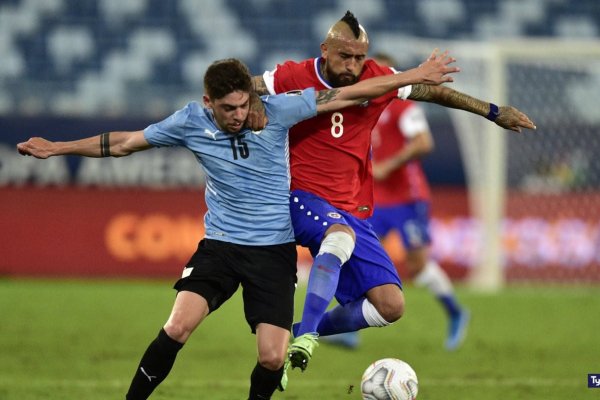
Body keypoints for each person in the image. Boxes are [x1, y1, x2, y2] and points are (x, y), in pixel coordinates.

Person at [17, 55, 459, 399]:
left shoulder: (278, 111)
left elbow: (348, 95)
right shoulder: (189, 122)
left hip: (272, 251)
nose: (239, 115)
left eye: (245, 104)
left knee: (271, 357)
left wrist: (411, 75)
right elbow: (124, 143)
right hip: (220, 246)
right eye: (228, 108)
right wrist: (57, 148)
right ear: (208, 102)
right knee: (177, 327)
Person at [250, 10, 535, 379]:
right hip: (302, 198)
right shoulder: (292, 75)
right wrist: (239, 100)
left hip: (352, 208)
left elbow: (433, 91)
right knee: (338, 238)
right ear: (325, 50)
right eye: (344, 56)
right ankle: (305, 336)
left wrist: (492, 111)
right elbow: (247, 84)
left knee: (390, 305)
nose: (353, 65)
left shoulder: (377, 78)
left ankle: (300, 334)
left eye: (359, 58)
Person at [323, 52, 470, 352]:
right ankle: (351, 330)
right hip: (373, 198)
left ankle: (455, 312)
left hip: (406, 198)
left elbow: (423, 142)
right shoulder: (358, 105)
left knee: (417, 266)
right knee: (352, 257)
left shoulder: (402, 105)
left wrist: (388, 166)